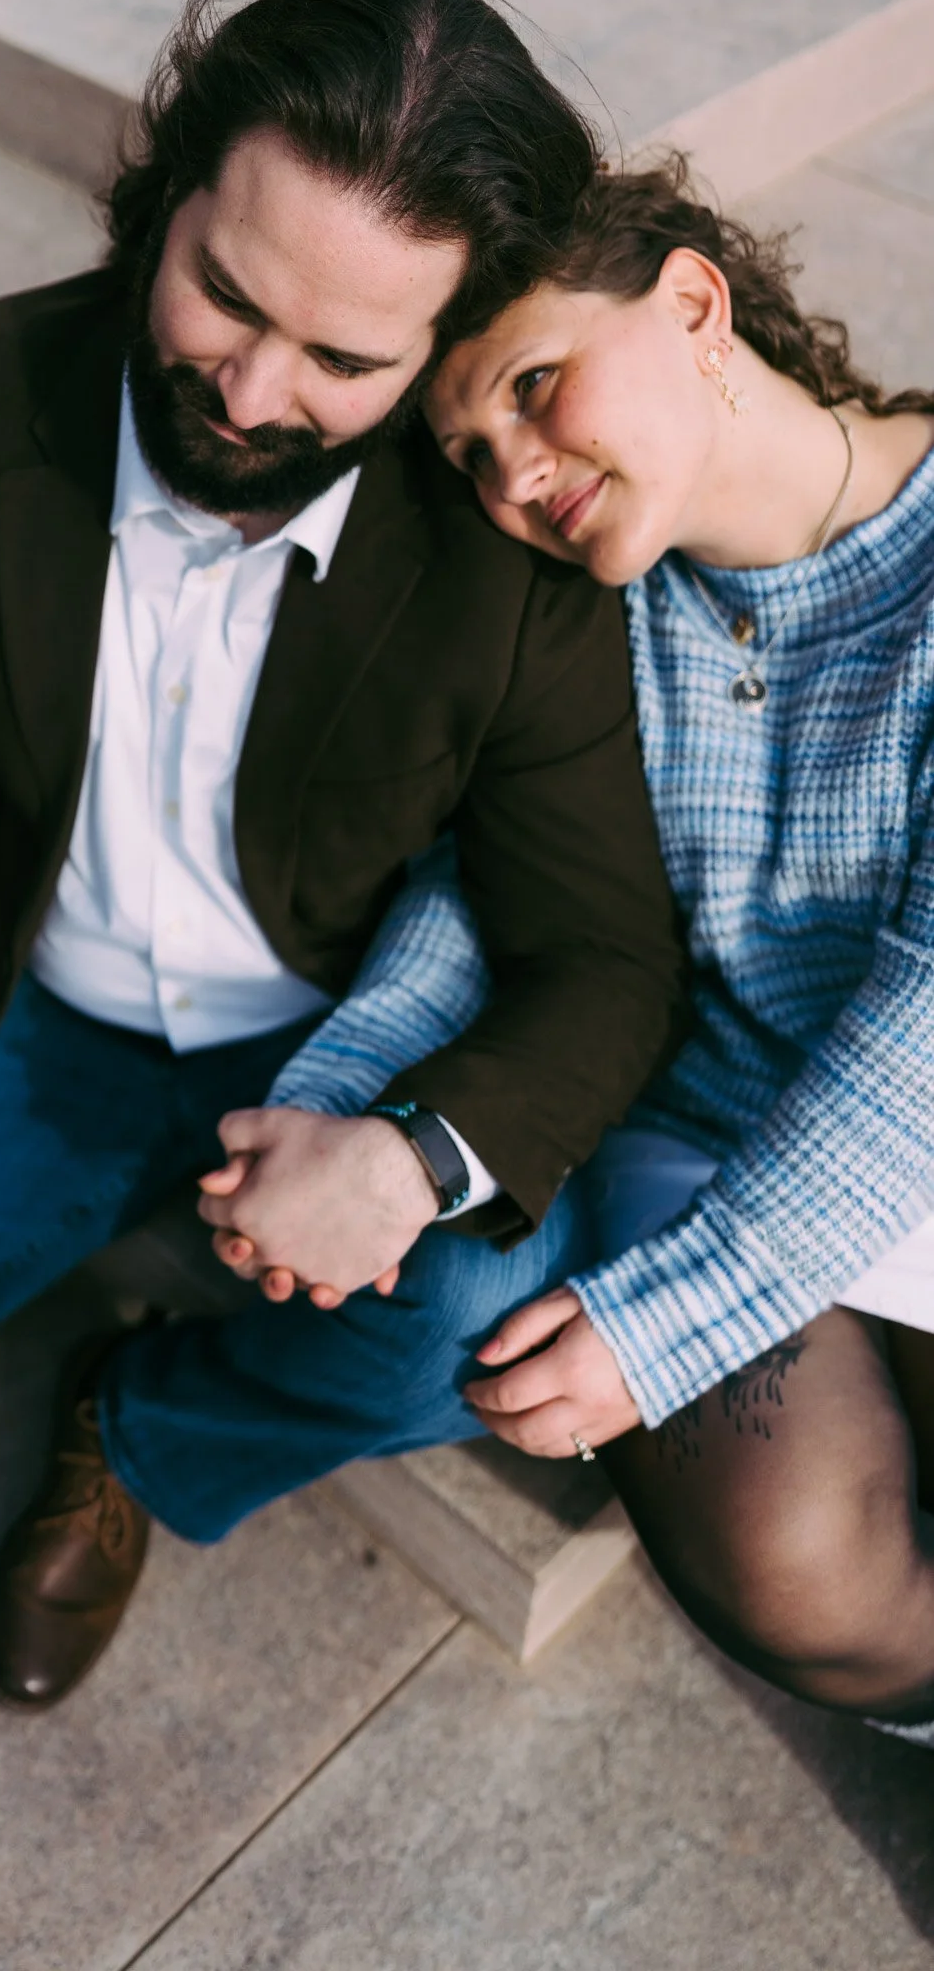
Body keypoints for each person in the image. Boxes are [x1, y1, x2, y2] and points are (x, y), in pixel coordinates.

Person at [0, 0, 685, 1783]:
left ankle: (146, 1427)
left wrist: (409, 1156)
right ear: (164, 190)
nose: (255, 392)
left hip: (328, 1057)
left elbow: (605, 959)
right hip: (32, 1031)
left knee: (467, 1330)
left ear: (441, 356)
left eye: (346, 363)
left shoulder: (507, 548)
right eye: (225, 294)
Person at [240, 156, 934, 1750]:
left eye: (538, 387)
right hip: (710, 1108)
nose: (514, 476)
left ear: (695, 304)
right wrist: (353, 1100)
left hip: (912, 1096)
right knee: (794, 1565)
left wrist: (669, 1321)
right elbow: (491, 888)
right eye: (473, 448)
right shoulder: (592, 592)